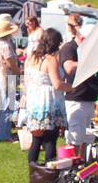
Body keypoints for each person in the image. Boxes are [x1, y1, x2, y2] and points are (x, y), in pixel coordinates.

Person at [21, 27, 68, 165]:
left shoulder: (31, 58)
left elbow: (26, 81)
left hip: (34, 100)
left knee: (36, 138)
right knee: (50, 139)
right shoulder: (50, 60)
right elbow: (57, 84)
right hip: (48, 101)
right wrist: (73, 87)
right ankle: (49, 172)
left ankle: (34, 172)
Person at [59, 14, 98, 148]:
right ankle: (72, 165)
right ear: (82, 38)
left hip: (89, 97)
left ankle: (83, 165)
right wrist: (88, 62)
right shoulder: (69, 48)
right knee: (75, 137)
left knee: (88, 137)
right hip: (75, 98)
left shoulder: (88, 50)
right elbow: (68, 67)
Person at [0, 15, 21, 141]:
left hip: (2, 75)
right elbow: (10, 62)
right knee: (8, 105)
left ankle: (4, 133)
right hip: (7, 75)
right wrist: (18, 72)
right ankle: (5, 134)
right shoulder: (5, 45)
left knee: (5, 104)